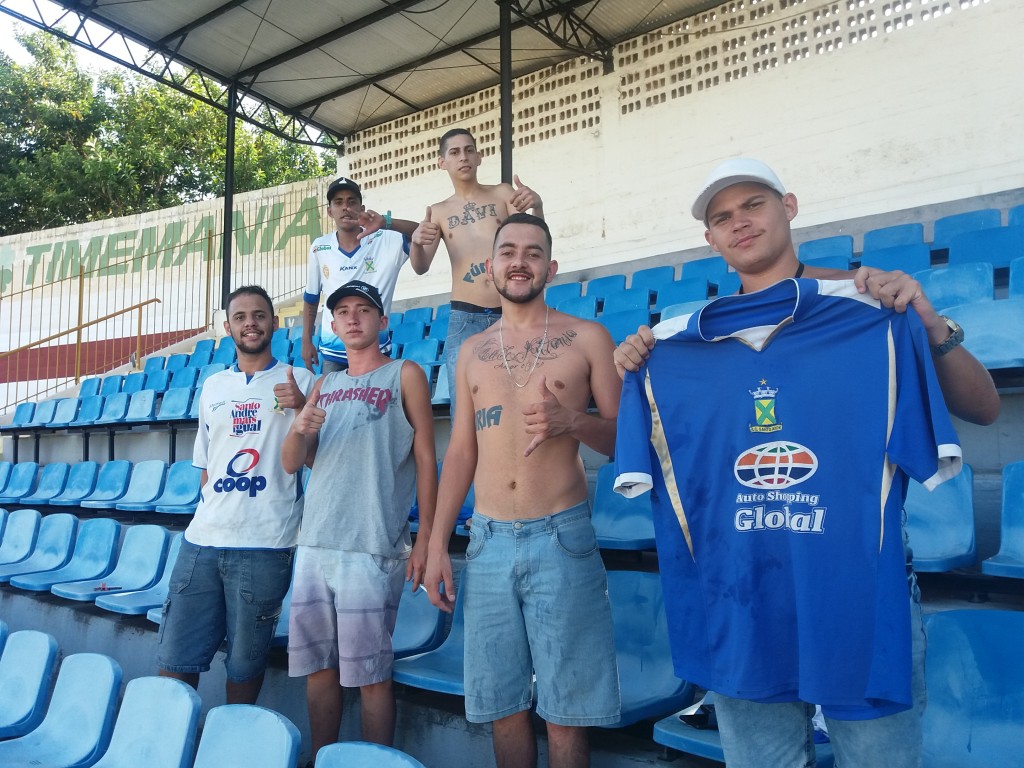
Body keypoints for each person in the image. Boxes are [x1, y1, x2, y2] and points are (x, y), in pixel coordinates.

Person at [611, 158, 1001, 768]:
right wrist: (639, 368)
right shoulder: (672, 347)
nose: (740, 223)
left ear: (788, 207)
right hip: (741, 602)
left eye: (753, 206)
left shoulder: (872, 309)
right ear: (708, 240)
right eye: (722, 218)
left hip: (856, 600)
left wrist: (927, 322)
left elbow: (984, 408)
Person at [424, 213, 621, 768]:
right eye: (508, 251)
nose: (519, 261)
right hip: (486, 542)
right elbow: (461, 451)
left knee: (566, 708)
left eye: (533, 253)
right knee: (502, 704)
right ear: (489, 266)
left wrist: (572, 422)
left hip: (561, 537)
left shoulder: (587, 337)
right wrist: (438, 545)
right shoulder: (471, 351)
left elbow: (626, 441)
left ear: (550, 267)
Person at [282, 280, 437, 757]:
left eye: (364, 310)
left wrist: (428, 538)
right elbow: (296, 462)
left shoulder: (405, 374)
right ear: (331, 326)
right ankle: (324, 756)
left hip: (372, 545)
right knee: (319, 669)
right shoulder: (324, 385)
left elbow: (428, 458)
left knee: (370, 674)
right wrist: (299, 425)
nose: (353, 318)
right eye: (343, 311)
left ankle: (374, 763)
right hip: (315, 543)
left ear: (382, 321)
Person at [157, 285, 314, 704]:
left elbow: (317, 459)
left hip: (265, 544)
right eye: (241, 316)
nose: (251, 323)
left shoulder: (302, 380)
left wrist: (299, 407)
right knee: (175, 660)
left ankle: (234, 746)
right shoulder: (213, 386)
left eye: (260, 315)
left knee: (244, 668)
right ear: (228, 326)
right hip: (202, 542)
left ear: (274, 323)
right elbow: (205, 465)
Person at [409, 128, 544, 414]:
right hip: (464, 318)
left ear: (480, 157)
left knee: (524, 402)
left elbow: (533, 239)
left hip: (510, 312)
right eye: (455, 152)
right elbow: (420, 267)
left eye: (469, 150)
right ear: (441, 162)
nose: (464, 157)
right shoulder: (439, 211)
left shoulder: (502, 193)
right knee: (467, 409)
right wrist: (416, 243)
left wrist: (538, 206)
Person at [301, 176, 428, 373]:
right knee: (333, 404)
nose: (345, 207)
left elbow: (421, 232)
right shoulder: (319, 247)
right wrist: (306, 340)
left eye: (352, 201)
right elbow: (311, 298)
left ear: (362, 208)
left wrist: (387, 222)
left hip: (375, 348)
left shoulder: (385, 239)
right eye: (338, 202)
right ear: (329, 211)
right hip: (334, 351)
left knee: (377, 402)